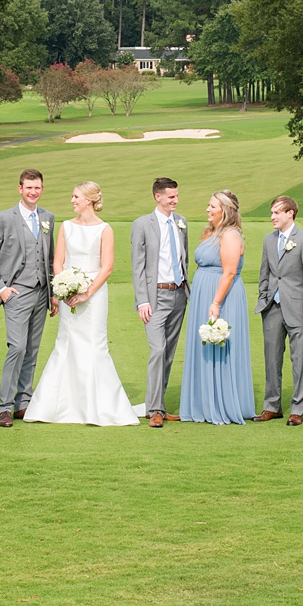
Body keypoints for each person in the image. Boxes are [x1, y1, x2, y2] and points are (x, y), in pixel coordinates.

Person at [25, 182, 139, 426]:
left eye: (76, 196)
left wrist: (87, 292)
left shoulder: (104, 229)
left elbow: (107, 267)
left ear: (89, 200)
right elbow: (58, 261)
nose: (72, 200)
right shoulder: (66, 227)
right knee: (66, 343)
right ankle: (55, 407)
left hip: (94, 294)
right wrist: (62, 287)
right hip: (68, 291)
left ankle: (97, 407)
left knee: (94, 344)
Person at [0, 169, 55, 428]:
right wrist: (1, 288)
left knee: (32, 350)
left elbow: (50, 259)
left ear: (41, 189)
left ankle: (24, 402)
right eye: (29, 187)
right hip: (16, 293)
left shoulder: (48, 217)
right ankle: (5, 407)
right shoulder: (3, 219)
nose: (33, 192)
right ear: (20, 189)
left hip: (41, 293)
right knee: (17, 347)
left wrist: (53, 294)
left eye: (37, 187)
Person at [178, 190, 255, 424]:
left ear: (225, 210)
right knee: (205, 345)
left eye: (212, 206)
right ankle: (202, 402)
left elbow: (229, 272)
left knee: (220, 344)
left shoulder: (230, 235)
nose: (207, 210)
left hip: (222, 295)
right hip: (204, 293)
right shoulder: (211, 232)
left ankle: (222, 404)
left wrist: (216, 302)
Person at [130, 176, 190, 428]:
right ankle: (153, 409)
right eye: (171, 196)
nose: (175, 200)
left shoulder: (181, 222)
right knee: (157, 350)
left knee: (169, 352)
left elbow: (182, 260)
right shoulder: (142, 224)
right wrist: (142, 300)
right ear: (158, 197)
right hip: (155, 296)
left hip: (179, 294)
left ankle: (160, 406)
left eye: (176, 195)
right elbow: (137, 265)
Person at [255, 195, 303, 425]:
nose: (272, 217)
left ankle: (297, 409)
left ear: (290, 213)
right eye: (272, 212)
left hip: (299, 309)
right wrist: (263, 298)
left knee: (299, 360)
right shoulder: (268, 240)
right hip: (272, 307)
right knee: (271, 359)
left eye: (277, 212)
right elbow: (265, 272)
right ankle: (271, 406)